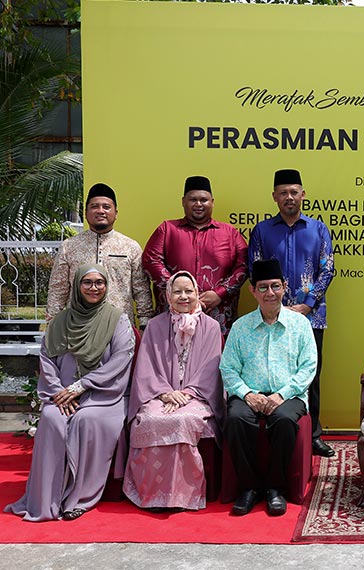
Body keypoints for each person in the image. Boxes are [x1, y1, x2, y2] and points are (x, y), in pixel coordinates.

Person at [5, 265, 134, 521]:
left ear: (106, 286)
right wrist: (57, 392)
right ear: (77, 286)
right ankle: (47, 499)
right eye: (87, 282)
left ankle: (79, 498)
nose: (94, 287)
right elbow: (47, 359)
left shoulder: (117, 319)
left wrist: (82, 385)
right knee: (52, 419)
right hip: (62, 395)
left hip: (103, 395)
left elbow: (121, 358)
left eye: (99, 282)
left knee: (88, 421)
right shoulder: (60, 321)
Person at [248, 169, 335, 458]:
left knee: (311, 375)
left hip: (311, 316)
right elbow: (255, 269)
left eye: (294, 192)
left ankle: (313, 434)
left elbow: (327, 268)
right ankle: (278, 428)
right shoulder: (262, 230)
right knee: (273, 372)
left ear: (303, 194)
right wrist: (277, 306)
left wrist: (308, 303)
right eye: (283, 193)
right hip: (271, 315)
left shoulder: (318, 229)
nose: (289, 197)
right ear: (275, 197)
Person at [220, 259, 317, 517]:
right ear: (253, 291)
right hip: (249, 393)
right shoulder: (241, 327)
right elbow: (228, 368)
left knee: (284, 421)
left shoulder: (300, 325)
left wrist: (281, 394)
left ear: (285, 287)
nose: (270, 293)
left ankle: (275, 488)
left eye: (275, 286)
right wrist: (247, 394)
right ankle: (249, 488)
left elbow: (308, 367)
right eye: (263, 287)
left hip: (289, 394)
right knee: (236, 419)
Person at [122, 271, 225, 511]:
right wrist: (165, 393)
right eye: (177, 291)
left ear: (197, 294)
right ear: (168, 296)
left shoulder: (211, 327)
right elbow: (145, 368)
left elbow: (212, 369)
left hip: (197, 396)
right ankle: (152, 494)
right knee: (149, 419)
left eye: (189, 291)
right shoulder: (155, 326)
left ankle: (181, 495)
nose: (183, 296)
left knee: (183, 420)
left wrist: (187, 393)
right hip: (160, 394)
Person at [142, 175, 248, 337]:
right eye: (193, 200)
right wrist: (178, 292)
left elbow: (244, 265)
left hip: (217, 315)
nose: (198, 204)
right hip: (174, 318)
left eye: (204, 200)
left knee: (215, 360)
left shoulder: (230, 233)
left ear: (212, 202)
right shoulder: (167, 229)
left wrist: (220, 293)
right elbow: (151, 260)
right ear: (183, 201)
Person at [47, 183, 154, 328]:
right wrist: (52, 324)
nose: (100, 211)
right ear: (85, 213)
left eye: (106, 207)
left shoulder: (130, 247)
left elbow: (141, 289)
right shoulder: (69, 246)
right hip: (78, 327)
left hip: (119, 327)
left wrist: (144, 325)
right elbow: (58, 288)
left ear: (116, 213)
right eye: (95, 206)